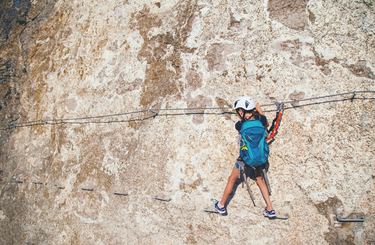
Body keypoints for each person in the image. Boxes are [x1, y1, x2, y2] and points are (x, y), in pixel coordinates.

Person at [213, 96, 276, 218]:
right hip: (260, 158)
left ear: (241, 112)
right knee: (259, 179)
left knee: (232, 179)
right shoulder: (261, 119)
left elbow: (241, 129)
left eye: (238, 112)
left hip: (246, 160)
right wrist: (259, 110)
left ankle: (221, 206)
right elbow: (266, 123)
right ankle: (270, 208)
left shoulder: (239, 124)